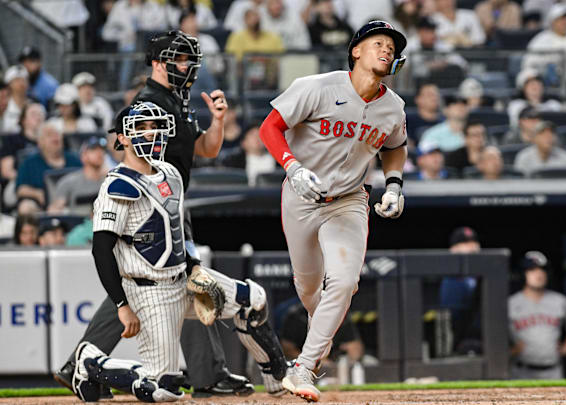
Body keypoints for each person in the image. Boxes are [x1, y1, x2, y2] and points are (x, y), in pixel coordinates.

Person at [53, 31, 287, 398]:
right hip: (152, 204)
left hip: (173, 196)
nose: (187, 66)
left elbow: (205, 149)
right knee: (159, 284)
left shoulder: (178, 100)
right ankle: (83, 365)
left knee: (190, 285)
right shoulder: (148, 102)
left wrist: (219, 120)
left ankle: (209, 374)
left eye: (189, 59)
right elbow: (126, 149)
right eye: (179, 59)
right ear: (159, 63)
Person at [258, 20, 409, 402]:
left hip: (349, 200)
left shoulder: (392, 106)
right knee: (310, 290)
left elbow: (395, 145)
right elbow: (270, 128)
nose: (386, 49)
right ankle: (314, 345)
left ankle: (304, 367)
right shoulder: (318, 86)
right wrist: (292, 166)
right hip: (301, 197)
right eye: (378, 43)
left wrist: (394, 184)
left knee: (343, 282)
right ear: (356, 50)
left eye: (391, 46)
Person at [509, 251, 566, 379]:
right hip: (521, 370)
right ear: (523, 274)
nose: (539, 274)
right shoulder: (511, 303)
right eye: (532, 270)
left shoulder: (560, 300)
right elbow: (494, 332)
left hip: (553, 370)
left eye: (542, 270)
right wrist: (509, 351)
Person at [15, 122, 82, 209]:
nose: (55, 138)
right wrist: (37, 193)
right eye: (50, 135)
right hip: (41, 207)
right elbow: (21, 189)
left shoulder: (74, 159)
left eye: (57, 134)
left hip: (74, 204)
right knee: (26, 207)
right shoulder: (29, 163)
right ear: (40, 142)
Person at [0, 102, 46, 206]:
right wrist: (26, 180)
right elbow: (6, 171)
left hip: (46, 183)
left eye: (41, 114)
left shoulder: (50, 141)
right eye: (34, 114)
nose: (38, 117)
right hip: (20, 183)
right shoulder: (12, 140)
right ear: (23, 120)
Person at [48, 137, 108, 215]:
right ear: (83, 156)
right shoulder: (69, 182)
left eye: (102, 150)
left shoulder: (108, 181)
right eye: (93, 150)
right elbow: (53, 211)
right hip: (78, 223)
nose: (99, 153)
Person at [2, 65, 30, 133]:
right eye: (17, 80)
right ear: (9, 84)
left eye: (23, 80)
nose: (21, 84)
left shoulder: (33, 103)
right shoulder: (3, 105)